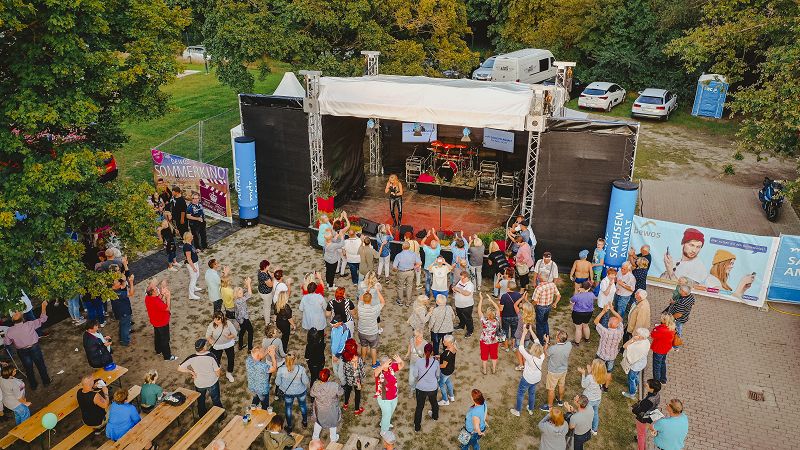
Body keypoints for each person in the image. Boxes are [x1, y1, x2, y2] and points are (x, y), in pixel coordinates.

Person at [3, 300, 51, 389]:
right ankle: (46, 381)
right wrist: (43, 306)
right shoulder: (30, 324)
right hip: (34, 348)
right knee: (40, 365)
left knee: (28, 369)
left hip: (22, 351)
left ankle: (33, 385)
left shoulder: (9, 331)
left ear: (12, 320)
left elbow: (7, 343)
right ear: (23, 318)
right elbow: (43, 319)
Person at [179, 339, 223, 416]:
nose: (207, 345)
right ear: (203, 348)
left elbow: (179, 368)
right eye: (206, 344)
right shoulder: (211, 356)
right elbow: (218, 372)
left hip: (199, 383)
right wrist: (217, 375)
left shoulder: (191, 357)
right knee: (216, 399)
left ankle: (202, 415)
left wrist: (191, 372)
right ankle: (220, 416)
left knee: (201, 400)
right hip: (212, 382)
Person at [510, 326, 543, 416]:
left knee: (520, 393)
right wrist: (531, 330)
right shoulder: (542, 355)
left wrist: (524, 333)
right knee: (532, 393)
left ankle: (518, 411)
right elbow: (537, 341)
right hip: (536, 378)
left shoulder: (530, 358)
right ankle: (531, 409)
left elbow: (521, 348)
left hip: (527, 378)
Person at [275, 353, 310, 431]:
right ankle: (305, 422)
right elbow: (306, 382)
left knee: (288, 408)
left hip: (288, 392)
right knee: (302, 405)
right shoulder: (301, 369)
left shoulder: (281, 370)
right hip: (300, 391)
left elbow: (277, 383)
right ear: (295, 360)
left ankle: (289, 426)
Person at [144, 280, 176, 361]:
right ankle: (167, 356)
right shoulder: (156, 301)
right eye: (156, 289)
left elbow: (158, 298)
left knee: (158, 336)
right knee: (165, 339)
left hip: (155, 321)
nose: (157, 289)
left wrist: (162, 294)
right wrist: (168, 297)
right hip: (162, 322)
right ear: (153, 293)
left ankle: (158, 350)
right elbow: (167, 308)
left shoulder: (148, 297)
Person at [412, 343, 440, 432]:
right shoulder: (436, 362)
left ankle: (417, 427)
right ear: (432, 352)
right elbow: (438, 375)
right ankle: (435, 416)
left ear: (424, 352)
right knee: (434, 402)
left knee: (419, 407)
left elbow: (415, 375)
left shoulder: (418, 362)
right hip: (433, 388)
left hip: (421, 388)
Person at [542, 330, 572, 412]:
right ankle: (560, 401)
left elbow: (545, 353)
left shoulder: (553, 349)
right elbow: (566, 340)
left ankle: (549, 407)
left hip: (553, 372)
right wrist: (561, 334)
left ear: (558, 339)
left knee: (551, 389)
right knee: (561, 385)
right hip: (563, 370)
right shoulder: (569, 345)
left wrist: (547, 342)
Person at [310, 368, 343, 442]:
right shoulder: (334, 385)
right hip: (332, 408)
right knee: (333, 422)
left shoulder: (316, 384)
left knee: (318, 422)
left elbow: (311, 394)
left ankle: (315, 437)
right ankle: (333, 439)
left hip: (320, 409)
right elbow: (341, 392)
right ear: (328, 378)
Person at [579, 359, 611, 434]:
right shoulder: (602, 376)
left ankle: (584, 429)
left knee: (585, 414)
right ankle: (594, 429)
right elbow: (595, 379)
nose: (591, 365)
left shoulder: (590, 377)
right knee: (595, 413)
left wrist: (583, 374)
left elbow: (583, 385)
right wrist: (590, 372)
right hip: (598, 399)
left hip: (589, 400)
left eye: (592, 365)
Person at [374, 354, 404, 432]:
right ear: (382, 363)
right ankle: (384, 431)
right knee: (387, 414)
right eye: (387, 362)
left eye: (389, 362)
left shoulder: (391, 367)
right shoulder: (379, 371)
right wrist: (383, 366)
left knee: (389, 413)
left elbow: (401, 366)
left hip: (394, 395)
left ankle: (384, 423)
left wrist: (401, 361)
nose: (389, 364)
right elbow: (375, 373)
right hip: (384, 398)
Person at [205, 311, 238, 383]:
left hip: (228, 344)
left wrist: (229, 337)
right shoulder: (211, 325)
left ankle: (229, 372)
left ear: (222, 318)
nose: (217, 321)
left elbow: (235, 333)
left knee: (231, 358)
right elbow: (207, 335)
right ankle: (217, 371)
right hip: (217, 345)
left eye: (219, 319)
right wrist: (210, 340)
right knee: (216, 359)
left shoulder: (228, 323)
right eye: (215, 319)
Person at [593, 304, 624, 376]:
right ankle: (606, 383)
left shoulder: (605, 332)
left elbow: (596, 322)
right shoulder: (620, 331)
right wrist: (612, 310)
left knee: (597, 369)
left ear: (608, 324)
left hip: (601, 355)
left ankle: (596, 380)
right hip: (612, 355)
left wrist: (603, 311)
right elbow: (620, 319)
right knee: (609, 371)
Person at [632, 379, 662, 450]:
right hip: (649, 416)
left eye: (647, 384)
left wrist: (634, 409)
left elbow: (640, 411)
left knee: (641, 435)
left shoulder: (648, 401)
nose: (645, 384)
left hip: (643, 418)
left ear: (652, 388)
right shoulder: (656, 394)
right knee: (642, 432)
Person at [621, 328, 651, 398]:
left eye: (637, 334)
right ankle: (636, 385)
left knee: (631, 378)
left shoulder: (638, 346)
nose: (635, 334)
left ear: (641, 337)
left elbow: (624, 346)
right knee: (636, 376)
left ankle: (632, 393)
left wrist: (632, 339)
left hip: (635, 365)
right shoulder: (646, 341)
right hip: (642, 363)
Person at [357, 290, 384, 366]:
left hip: (362, 331)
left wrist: (365, 292)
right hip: (372, 332)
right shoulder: (374, 309)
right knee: (373, 348)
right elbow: (383, 302)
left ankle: (363, 361)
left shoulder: (359, 306)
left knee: (363, 346)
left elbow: (360, 299)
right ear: (371, 299)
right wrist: (377, 291)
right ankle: (374, 363)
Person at [246, 345, 278, 410]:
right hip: (262, 390)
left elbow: (259, 356)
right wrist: (272, 356)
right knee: (265, 405)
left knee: (255, 399)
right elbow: (274, 368)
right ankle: (264, 413)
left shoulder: (248, 360)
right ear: (258, 355)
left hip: (253, 386)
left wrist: (267, 350)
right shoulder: (263, 366)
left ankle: (252, 410)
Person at [532, 277, 561, 345]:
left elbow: (535, 301)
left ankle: (541, 341)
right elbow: (559, 296)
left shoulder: (539, 288)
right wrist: (555, 303)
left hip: (540, 308)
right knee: (545, 322)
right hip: (548, 306)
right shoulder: (552, 284)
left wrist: (531, 305)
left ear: (540, 278)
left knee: (539, 324)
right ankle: (547, 339)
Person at [476, 293, 500, 375]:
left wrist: (481, 299)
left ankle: (485, 370)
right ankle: (494, 369)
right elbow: (498, 309)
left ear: (487, 314)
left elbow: (479, 310)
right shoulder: (497, 320)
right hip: (494, 341)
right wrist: (491, 300)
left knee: (484, 356)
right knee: (494, 355)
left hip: (484, 340)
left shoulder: (484, 320)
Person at [393, 241, 422, 307]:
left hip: (401, 272)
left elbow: (394, 267)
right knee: (409, 286)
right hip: (411, 272)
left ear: (402, 247)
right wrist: (414, 267)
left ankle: (400, 301)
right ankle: (408, 302)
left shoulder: (399, 255)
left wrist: (395, 270)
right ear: (409, 247)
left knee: (400, 286)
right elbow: (420, 263)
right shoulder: (414, 254)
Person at [323, 217, 349, 289]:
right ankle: (330, 286)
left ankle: (328, 282)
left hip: (327, 258)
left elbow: (333, 239)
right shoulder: (333, 245)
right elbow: (341, 244)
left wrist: (336, 236)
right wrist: (341, 236)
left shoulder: (326, 241)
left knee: (328, 271)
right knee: (332, 273)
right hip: (332, 261)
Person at [651, 314, 677, 385]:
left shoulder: (661, 329)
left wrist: (656, 328)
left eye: (662, 318)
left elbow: (653, 334)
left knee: (656, 366)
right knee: (662, 363)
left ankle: (656, 382)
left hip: (658, 349)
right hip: (665, 349)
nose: (660, 318)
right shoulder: (671, 327)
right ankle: (663, 380)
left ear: (665, 320)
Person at [342, 340, 365, 414]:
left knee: (348, 390)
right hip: (357, 381)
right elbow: (361, 371)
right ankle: (356, 410)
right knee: (357, 394)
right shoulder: (358, 360)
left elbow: (344, 370)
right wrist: (361, 380)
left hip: (348, 379)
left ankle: (345, 404)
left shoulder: (345, 358)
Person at [111, 272, 134, 346]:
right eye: (117, 282)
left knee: (122, 325)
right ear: (115, 285)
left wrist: (124, 280)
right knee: (125, 327)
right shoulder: (119, 294)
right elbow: (131, 293)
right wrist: (131, 282)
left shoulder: (111, 290)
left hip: (118, 311)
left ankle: (122, 338)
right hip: (124, 312)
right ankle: (125, 341)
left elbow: (123, 285)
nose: (119, 282)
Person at [570, 281, 596, 346]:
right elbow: (593, 299)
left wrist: (578, 292)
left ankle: (577, 343)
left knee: (578, 328)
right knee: (586, 326)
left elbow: (571, 301)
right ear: (589, 288)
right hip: (589, 312)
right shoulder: (592, 294)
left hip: (578, 313)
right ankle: (587, 340)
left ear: (580, 287)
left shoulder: (577, 296)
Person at [513, 301, 536, 370]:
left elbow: (515, 305)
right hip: (527, 337)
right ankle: (525, 365)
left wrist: (522, 298)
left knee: (519, 350)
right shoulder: (532, 317)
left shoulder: (520, 316)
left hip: (519, 337)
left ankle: (521, 365)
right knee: (525, 350)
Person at [234, 278, 255, 351]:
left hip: (240, 319)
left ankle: (240, 345)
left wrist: (246, 285)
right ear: (236, 294)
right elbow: (249, 294)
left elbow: (246, 292)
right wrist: (248, 284)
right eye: (240, 293)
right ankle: (250, 348)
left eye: (242, 292)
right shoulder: (240, 300)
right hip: (244, 319)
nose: (242, 294)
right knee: (251, 331)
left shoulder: (237, 299)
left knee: (242, 330)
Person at [453, 270, 476, 337]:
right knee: (460, 316)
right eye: (460, 278)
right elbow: (455, 287)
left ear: (466, 277)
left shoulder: (470, 285)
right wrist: (454, 289)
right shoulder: (460, 281)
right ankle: (461, 325)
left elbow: (467, 293)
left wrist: (458, 289)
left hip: (466, 306)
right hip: (458, 304)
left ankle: (470, 330)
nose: (461, 279)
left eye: (462, 278)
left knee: (468, 318)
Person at [437, 334, 457, 406]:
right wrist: (440, 357)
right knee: (448, 381)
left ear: (449, 343)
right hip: (451, 369)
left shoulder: (447, 354)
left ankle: (445, 400)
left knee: (441, 384)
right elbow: (446, 358)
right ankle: (451, 396)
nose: (443, 342)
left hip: (445, 371)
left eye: (445, 341)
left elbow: (443, 365)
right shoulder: (454, 347)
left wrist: (435, 366)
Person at [421, 229, 441, 297]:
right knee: (436, 280)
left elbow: (422, 243)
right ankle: (436, 293)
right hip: (436, 267)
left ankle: (427, 294)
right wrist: (434, 233)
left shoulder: (427, 250)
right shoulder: (438, 250)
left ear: (430, 245)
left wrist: (427, 236)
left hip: (428, 268)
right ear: (437, 245)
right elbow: (438, 240)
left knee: (427, 281)